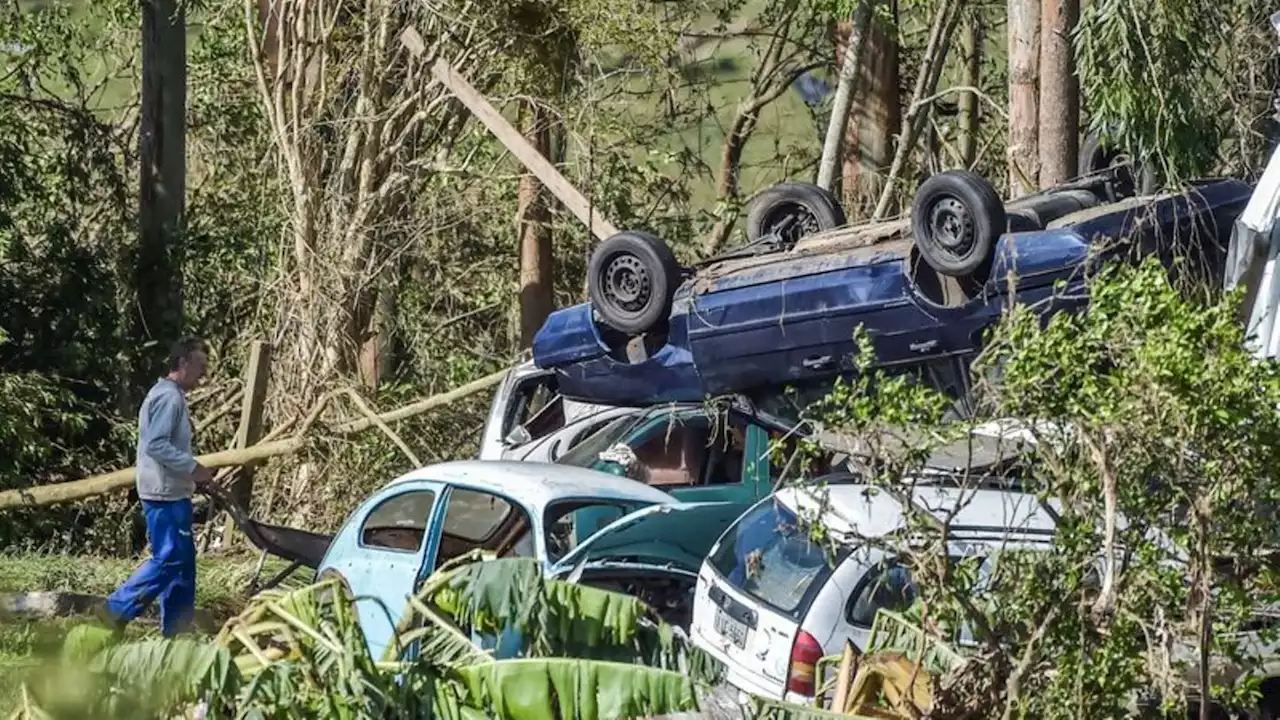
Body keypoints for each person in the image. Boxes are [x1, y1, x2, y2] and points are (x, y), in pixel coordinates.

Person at [99, 337, 216, 636]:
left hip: (172, 491)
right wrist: (194, 469)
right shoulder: (169, 398)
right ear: (183, 363)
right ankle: (115, 609)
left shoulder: (168, 394)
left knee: (183, 566)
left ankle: (176, 633)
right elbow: (156, 445)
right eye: (200, 366)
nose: (203, 373)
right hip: (164, 495)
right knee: (170, 559)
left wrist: (191, 475)